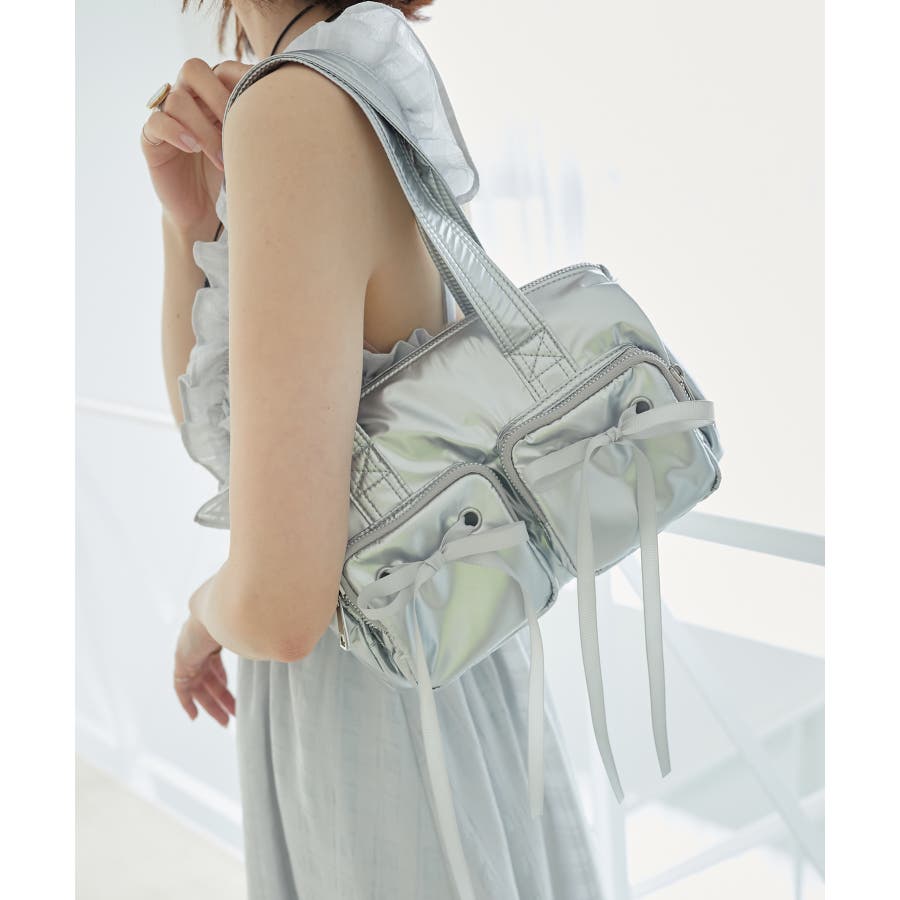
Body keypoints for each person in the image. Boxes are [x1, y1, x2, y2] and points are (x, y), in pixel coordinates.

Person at [143, 1, 607, 896]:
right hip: (437, 657)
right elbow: (228, 454)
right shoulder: (351, 77)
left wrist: (201, 619)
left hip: (372, 703)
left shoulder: (293, 105)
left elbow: (280, 605)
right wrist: (190, 225)